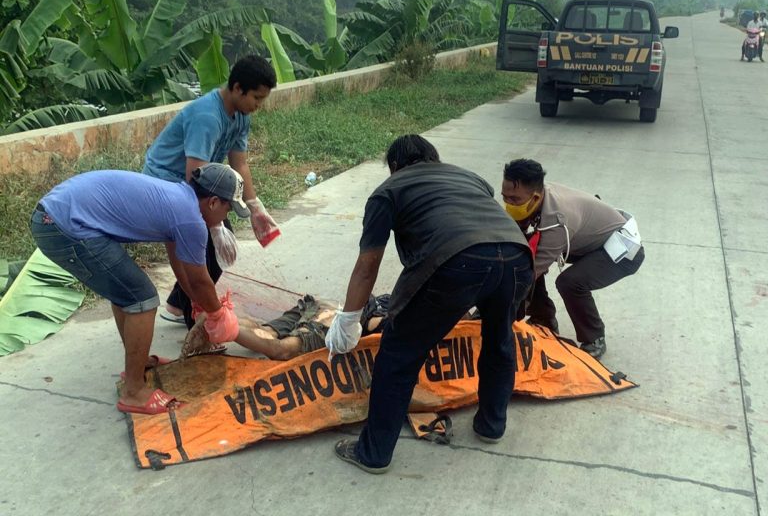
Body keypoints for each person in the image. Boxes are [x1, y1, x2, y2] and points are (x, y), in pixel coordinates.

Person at [325, 134, 532, 474]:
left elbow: (368, 265)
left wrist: (348, 320)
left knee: (398, 355)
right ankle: (491, 426)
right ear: (434, 158)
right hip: (517, 258)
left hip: (457, 261)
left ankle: (373, 453)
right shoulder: (470, 178)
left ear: (394, 167)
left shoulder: (388, 191)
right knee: (499, 341)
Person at [30, 163, 249, 414]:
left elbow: (181, 263)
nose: (226, 216)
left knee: (126, 292)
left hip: (57, 214)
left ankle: (138, 363)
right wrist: (218, 315)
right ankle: (134, 391)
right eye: (228, 208)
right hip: (62, 225)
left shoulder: (179, 199)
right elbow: (200, 280)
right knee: (141, 299)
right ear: (212, 202)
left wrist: (195, 302)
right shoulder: (190, 219)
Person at [143, 55, 280, 328]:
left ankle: (180, 305)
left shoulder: (240, 116)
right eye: (256, 97)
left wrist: (254, 207)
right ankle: (195, 311)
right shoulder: (207, 116)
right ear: (238, 88)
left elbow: (239, 163)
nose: (258, 105)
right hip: (167, 183)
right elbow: (194, 177)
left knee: (217, 252)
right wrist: (213, 227)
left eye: (262, 99)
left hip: (202, 179)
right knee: (197, 243)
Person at [501, 159, 645, 359]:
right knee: (524, 256)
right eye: (505, 197)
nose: (509, 204)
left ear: (535, 197)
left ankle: (594, 338)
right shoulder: (538, 196)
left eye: (514, 200)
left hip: (623, 251)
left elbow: (527, 275)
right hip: (590, 241)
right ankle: (544, 319)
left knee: (569, 282)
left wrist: (494, 313)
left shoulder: (557, 222)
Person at [182, 294, 390, 360]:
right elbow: (373, 322)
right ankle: (224, 325)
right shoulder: (390, 316)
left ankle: (219, 316)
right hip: (332, 320)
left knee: (264, 331)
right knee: (281, 350)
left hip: (320, 307)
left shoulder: (387, 302)